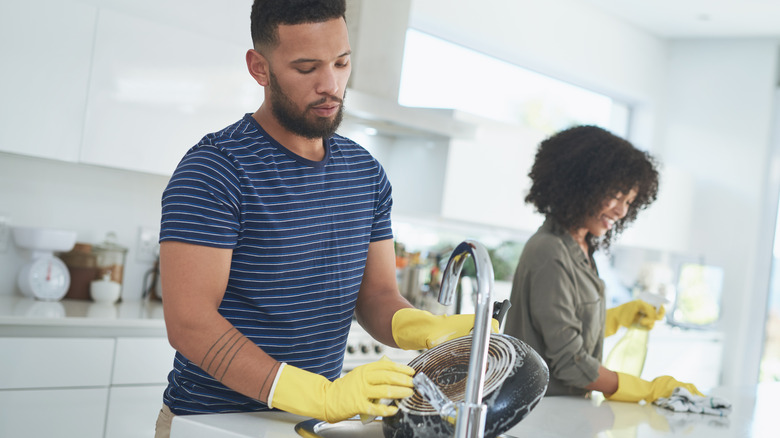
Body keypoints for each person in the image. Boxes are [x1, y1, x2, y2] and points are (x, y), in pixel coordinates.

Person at [153, 1, 493, 436]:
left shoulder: (366, 174)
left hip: (311, 427)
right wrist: (321, 395)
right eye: (306, 67)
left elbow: (376, 296)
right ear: (260, 68)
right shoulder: (216, 169)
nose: (330, 85)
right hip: (212, 425)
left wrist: (424, 328)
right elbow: (190, 324)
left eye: (341, 62)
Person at [503, 125, 702, 403]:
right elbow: (571, 363)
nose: (622, 211)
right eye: (617, 196)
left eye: (629, 201)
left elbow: (567, 329)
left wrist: (620, 316)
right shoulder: (549, 251)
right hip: (541, 412)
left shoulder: (581, 246)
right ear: (583, 185)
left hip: (566, 411)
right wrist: (648, 390)